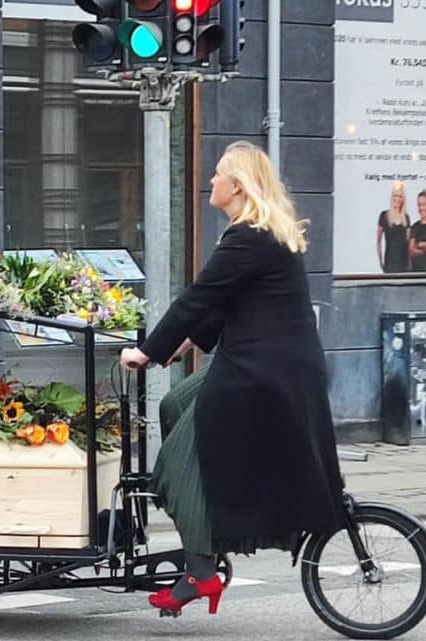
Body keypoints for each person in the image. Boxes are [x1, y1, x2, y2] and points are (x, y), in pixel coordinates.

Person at [119, 141, 346, 616]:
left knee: (175, 463)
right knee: (174, 405)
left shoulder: (250, 237)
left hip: (260, 373)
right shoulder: (258, 235)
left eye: (219, 175)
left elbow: (198, 297)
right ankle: (207, 528)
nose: (212, 182)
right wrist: (188, 343)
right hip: (263, 365)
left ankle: (199, 571)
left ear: (237, 186)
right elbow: (231, 304)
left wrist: (148, 350)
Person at [377, 181, 411, 273]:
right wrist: (381, 262)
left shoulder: (406, 218)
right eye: (395, 195)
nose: (397, 198)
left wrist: (410, 264)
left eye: (400, 196)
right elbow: (378, 242)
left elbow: (409, 244)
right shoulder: (384, 216)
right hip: (390, 263)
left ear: (403, 199)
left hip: (404, 265)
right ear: (392, 197)